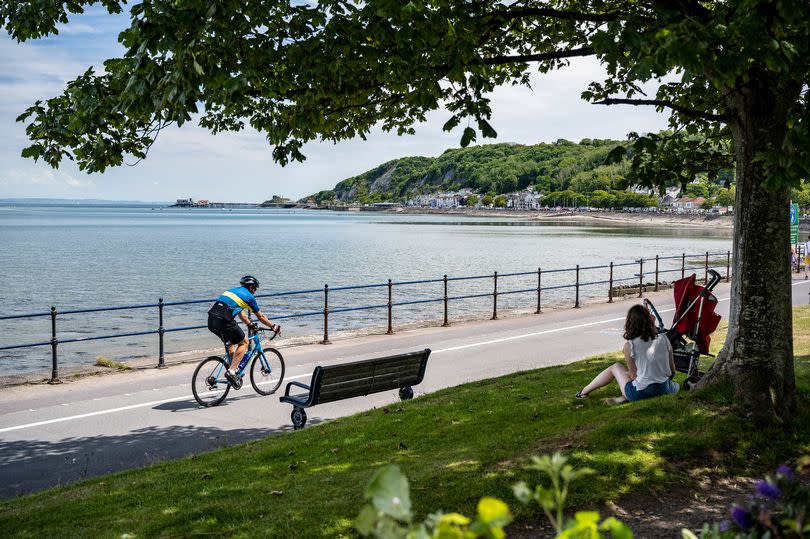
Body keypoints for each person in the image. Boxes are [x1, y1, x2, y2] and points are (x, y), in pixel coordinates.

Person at [575, 304, 679, 405]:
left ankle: (583, 392)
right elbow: (672, 370)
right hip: (666, 388)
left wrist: (627, 375)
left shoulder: (630, 345)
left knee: (616, 367)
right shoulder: (664, 338)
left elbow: (633, 376)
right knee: (642, 378)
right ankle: (623, 398)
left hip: (640, 393)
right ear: (651, 320)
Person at [207, 276, 281, 385]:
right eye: (255, 289)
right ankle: (232, 371)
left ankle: (233, 371)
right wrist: (273, 326)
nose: (255, 292)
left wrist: (250, 324)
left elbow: (241, 313)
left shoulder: (232, 291)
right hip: (224, 321)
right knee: (244, 342)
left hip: (211, 320)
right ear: (251, 287)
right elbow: (261, 317)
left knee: (230, 343)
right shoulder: (249, 297)